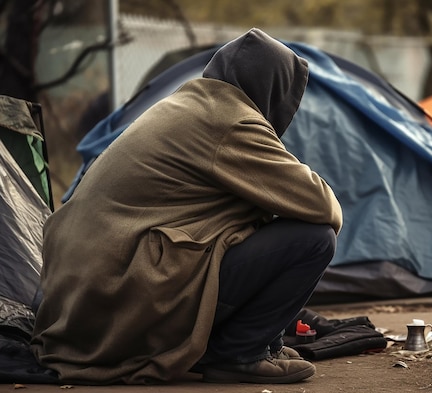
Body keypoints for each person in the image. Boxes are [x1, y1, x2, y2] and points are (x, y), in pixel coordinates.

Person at [31, 28, 343, 385]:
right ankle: (238, 354)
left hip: (81, 302)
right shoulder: (232, 121)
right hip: (121, 293)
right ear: (273, 89)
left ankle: (251, 343)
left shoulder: (187, 105)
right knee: (313, 239)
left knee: (247, 223)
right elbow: (324, 207)